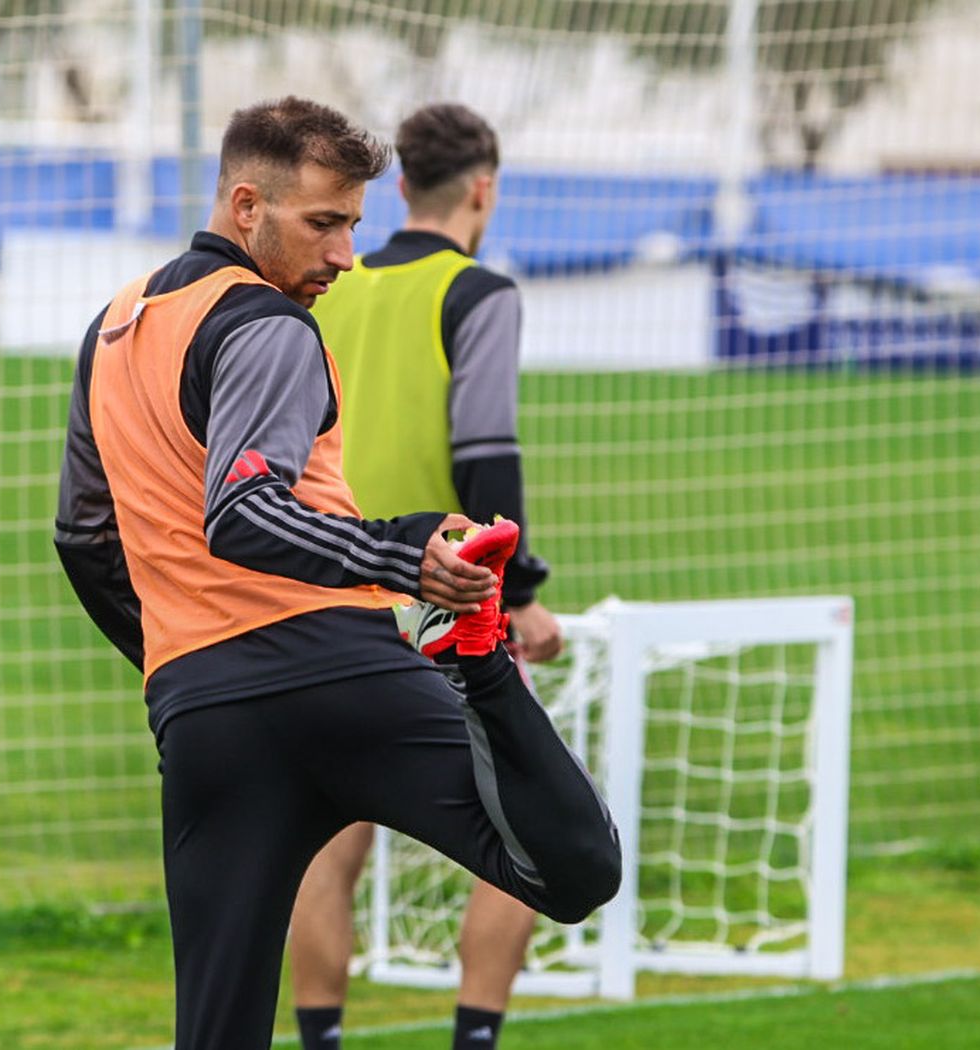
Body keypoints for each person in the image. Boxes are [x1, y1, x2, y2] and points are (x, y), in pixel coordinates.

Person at [52, 96, 620, 1050]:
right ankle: (476, 657)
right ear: (246, 205)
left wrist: (173, 666)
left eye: (354, 222)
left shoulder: (115, 322)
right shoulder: (269, 324)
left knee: (218, 1029)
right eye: (324, 222)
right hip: (342, 677)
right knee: (575, 868)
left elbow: (82, 535)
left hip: (206, 715)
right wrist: (410, 557)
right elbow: (244, 510)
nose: (345, 253)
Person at [289, 102, 556, 1050]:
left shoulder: (332, 280)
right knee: (521, 829)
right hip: (441, 598)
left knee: (325, 844)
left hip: (324, 595)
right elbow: (486, 455)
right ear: (483, 189)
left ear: (399, 189)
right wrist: (515, 594)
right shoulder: (480, 293)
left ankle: (319, 1038)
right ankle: (474, 1038)